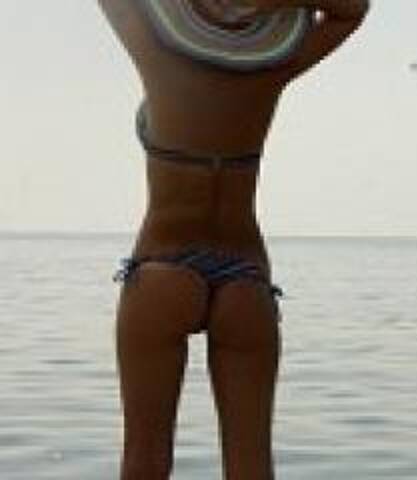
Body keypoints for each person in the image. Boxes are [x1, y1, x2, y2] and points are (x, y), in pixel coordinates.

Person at [97, 1, 370, 479]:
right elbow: (352, 8)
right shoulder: (274, 64)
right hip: (245, 275)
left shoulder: (154, 45)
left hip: (164, 263)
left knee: (145, 461)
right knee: (251, 467)